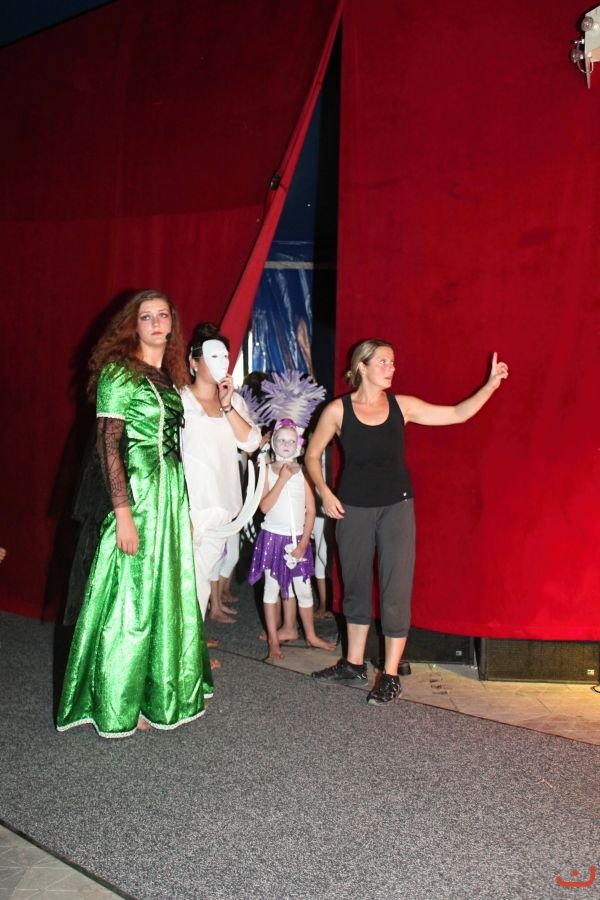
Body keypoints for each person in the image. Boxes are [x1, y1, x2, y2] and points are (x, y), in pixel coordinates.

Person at [306, 340, 509, 706]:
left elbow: (458, 414)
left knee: (395, 590)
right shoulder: (338, 410)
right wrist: (324, 491)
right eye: (383, 361)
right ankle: (353, 665)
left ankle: (390, 675)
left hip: (396, 508)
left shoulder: (403, 406)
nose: (392, 368)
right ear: (362, 366)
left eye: (393, 362)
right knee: (354, 587)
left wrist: (490, 386)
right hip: (352, 508)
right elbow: (311, 454)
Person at [57, 289, 213, 737]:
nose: (157, 323)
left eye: (164, 315)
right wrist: (122, 513)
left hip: (168, 497)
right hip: (138, 495)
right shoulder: (119, 372)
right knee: (130, 598)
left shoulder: (167, 375)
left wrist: (182, 509)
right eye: (147, 316)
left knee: (163, 595)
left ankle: (152, 692)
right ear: (133, 325)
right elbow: (108, 444)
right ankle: (115, 699)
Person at [181, 323, 261, 623]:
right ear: (193, 362)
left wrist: (228, 407)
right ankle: (179, 648)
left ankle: (192, 646)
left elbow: (251, 443)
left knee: (201, 582)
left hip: (223, 508)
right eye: (213, 356)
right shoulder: (180, 401)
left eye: (226, 357)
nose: (222, 363)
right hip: (189, 508)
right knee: (183, 582)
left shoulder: (234, 402)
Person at [248, 419, 337, 660]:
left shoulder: (304, 472)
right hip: (273, 539)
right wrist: (282, 480)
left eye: (290, 441)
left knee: (303, 590)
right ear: (273, 444)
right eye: (281, 440)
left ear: (297, 445)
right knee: (271, 589)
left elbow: (311, 510)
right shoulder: (266, 471)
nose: (286, 444)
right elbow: (264, 507)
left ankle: (311, 635)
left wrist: (304, 542)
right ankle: (273, 640)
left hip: (298, 541)